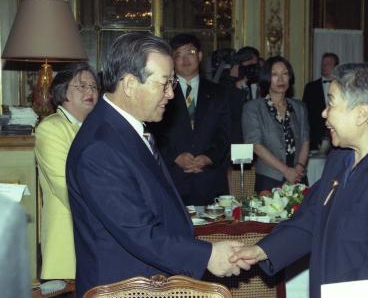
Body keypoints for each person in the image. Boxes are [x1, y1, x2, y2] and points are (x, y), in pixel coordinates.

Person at [232, 63, 368, 298]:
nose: (324, 113)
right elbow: (311, 217)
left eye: (331, 103)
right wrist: (262, 250)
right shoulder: (341, 157)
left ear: (361, 113)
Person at [66, 33, 248, 297]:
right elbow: (138, 232)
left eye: (171, 83)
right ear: (129, 84)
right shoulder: (99, 148)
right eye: (164, 84)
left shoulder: (126, 129)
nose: (171, 94)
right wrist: (207, 256)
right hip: (124, 287)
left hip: (152, 280)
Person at [34, 63, 99, 281]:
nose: (90, 91)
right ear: (62, 92)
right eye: (81, 86)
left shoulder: (97, 129)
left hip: (98, 240)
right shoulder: (51, 129)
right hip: (68, 241)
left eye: (93, 86)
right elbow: (66, 187)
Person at [150, 33, 230, 206]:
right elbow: (154, 131)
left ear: (200, 56)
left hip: (209, 179)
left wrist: (209, 157)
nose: (185, 59)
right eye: (178, 54)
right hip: (172, 178)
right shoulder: (161, 92)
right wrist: (175, 157)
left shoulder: (219, 93)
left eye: (190, 52)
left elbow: (225, 134)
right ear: (171, 60)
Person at [242, 56, 310, 193]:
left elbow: (305, 140)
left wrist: (299, 167)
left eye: (285, 74)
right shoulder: (253, 108)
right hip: (269, 177)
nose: (281, 79)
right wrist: (285, 170)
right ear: (266, 77)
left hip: (297, 175)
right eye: (274, 74)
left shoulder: (299, 107)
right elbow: (256, 145)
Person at [302, 52, 339, 150]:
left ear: (336, 67)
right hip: (315, 137)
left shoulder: (343, 86)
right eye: (322, 64)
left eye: (327, 64)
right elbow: (305, 114)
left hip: (338, 134)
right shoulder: (311, 87)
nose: (323, 66)